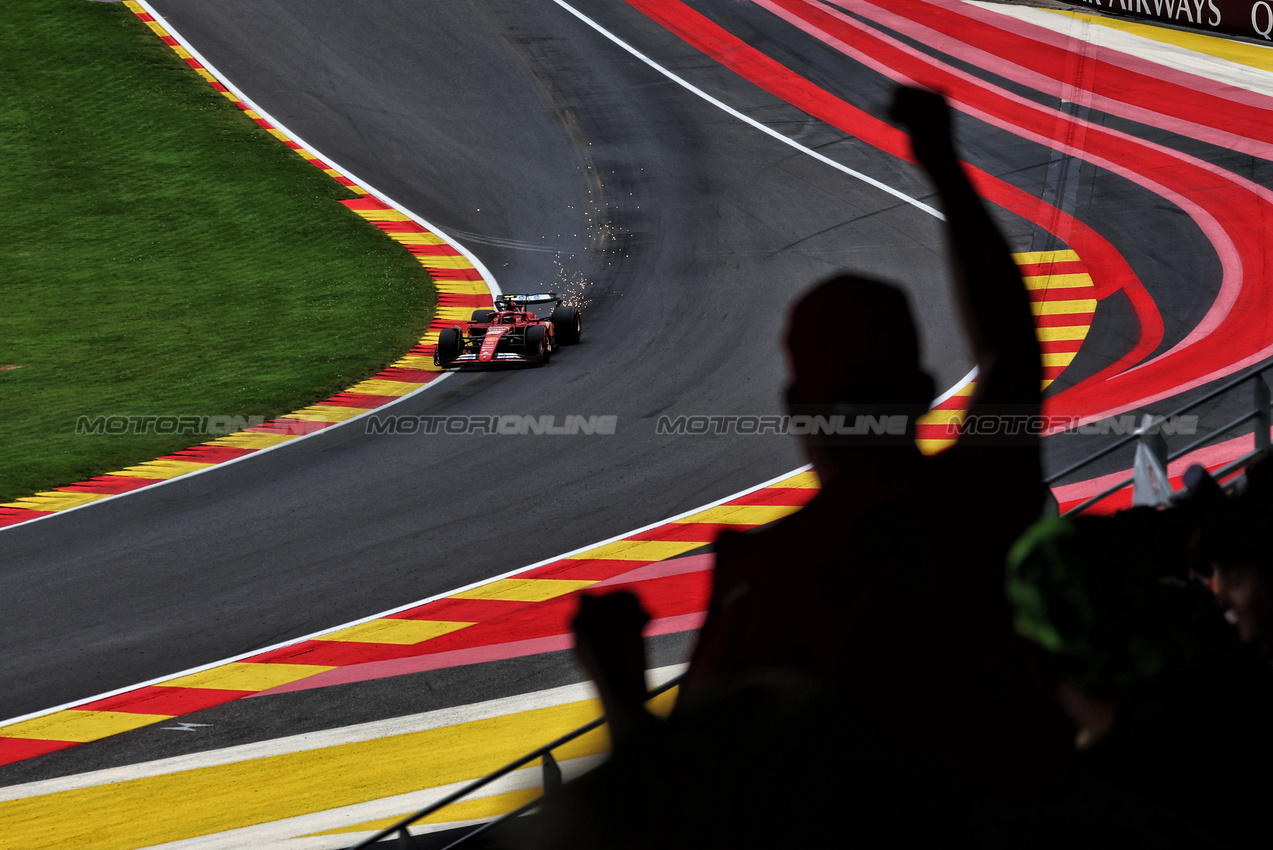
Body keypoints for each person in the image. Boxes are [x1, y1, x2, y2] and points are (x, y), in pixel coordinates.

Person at [568, 85, 1071, 824]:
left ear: (797, 411)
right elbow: (1011, 354)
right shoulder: (978, 501)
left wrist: (617, 686)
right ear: (925, 389)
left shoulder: (764, 576)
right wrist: (943, 166)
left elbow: (679, 812)